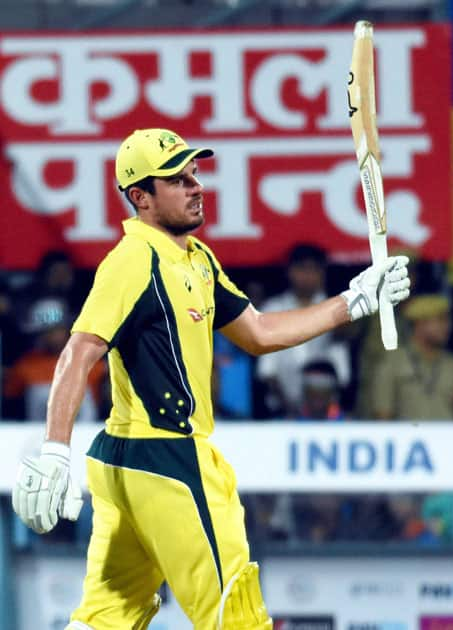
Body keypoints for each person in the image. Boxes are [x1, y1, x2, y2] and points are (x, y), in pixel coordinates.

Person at [11, 128, 410, 630]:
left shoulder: (196, 259)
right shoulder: (136, 260)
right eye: (178, 179)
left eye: (195, 173)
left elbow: (259, 332)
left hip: (127, 461)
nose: (196, 185)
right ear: (141, 197)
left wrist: (353, 302)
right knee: (235, 615)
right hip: (169, 456)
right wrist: (53, 451)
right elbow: (79, 351)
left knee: (104, 620)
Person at [256, 244, 351, 417]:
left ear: (323, 273)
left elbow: (342, 373)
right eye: (302, 269)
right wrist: (290, 410)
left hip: (326, 412)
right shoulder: (273, 308)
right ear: (290, 272)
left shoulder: (335, 308)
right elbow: (267, 371)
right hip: (281, 411)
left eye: (314, 270)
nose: (308, 276)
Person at [371, 294, 453, 420]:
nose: (447, 326)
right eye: (440, 320)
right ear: (420, 323)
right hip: (406, 438)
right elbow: (382, 413)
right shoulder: (393, 361)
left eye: (447, 320)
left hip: (448, 438)